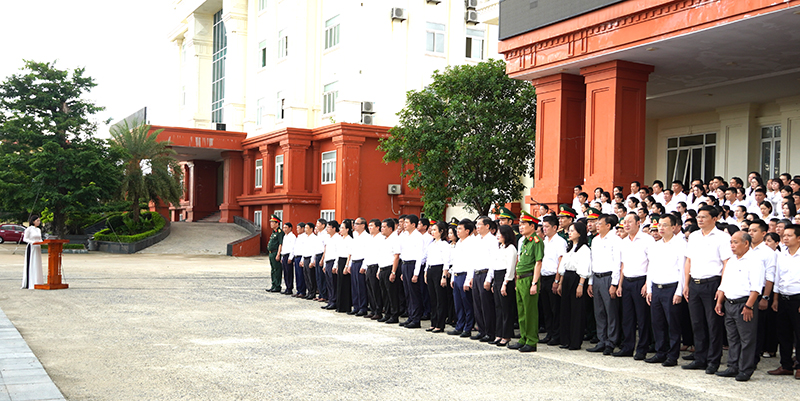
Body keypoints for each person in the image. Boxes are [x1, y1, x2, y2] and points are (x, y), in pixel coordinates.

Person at [683, 206, 732, 374]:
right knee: (697, 323)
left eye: (704, 217)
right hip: (695, 283)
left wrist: (722, 287)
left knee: (713, 324)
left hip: (713, 283)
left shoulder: (723, 237)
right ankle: (700, 358)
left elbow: (727, 263)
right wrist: (686, 284)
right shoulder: (694, 236)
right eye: (699, 217)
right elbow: (688, 260)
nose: (700, 219)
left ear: (714, 218)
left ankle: (713, 360)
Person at [714, 232, 764, 381]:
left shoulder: (755, 261)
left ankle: (745, 369)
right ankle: (733, 366)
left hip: (744, 304)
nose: (732, 246)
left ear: (746, 243)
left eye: (735, 242)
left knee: (747, 339)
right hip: (729, 302)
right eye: (731, 242)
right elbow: (725, 283)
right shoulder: (732, 261)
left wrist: (749, 306)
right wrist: (719, 301)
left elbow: (756, 288)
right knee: (733, 338)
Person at [645, 214, 685, 366]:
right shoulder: (656, 245)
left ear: (674, 227)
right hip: (657, 287)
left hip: (672, 287)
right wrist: (649, 289)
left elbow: (682, 269)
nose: (660, 228)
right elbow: (651, 268)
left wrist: (679, 291)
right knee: (657, 322)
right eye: (659, 225)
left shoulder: (680, 244)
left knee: (672, 324)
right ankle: (660, 352)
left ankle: (672, 356)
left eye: (664, 225)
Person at [616, 212, 654, 359]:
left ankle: (642, 349)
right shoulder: (624, 241)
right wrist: (620, 284)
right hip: (627, 281)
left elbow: (652, 263)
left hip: (641, 280)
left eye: (629, 222)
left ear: (638, 223)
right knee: (627, 317)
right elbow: (623, 265)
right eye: (624, 222)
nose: (626, 224)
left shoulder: (647, 240)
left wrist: (647, 283)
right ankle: (627, 346)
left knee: (642, 318)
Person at [507, 211, 543, 353]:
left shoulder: (536, 241)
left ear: (532, 226)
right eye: (520, 224)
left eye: (524, 224)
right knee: (521, 311)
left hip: (529, 279)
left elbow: (538, 263)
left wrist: (534, 283)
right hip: (521, 279)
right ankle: (523, 338)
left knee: (530, 312)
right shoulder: (523, 242)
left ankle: (532, 341)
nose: (520, 227)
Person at [767, 224, 800, 379]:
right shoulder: (781, 254)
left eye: (789, 235)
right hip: (783, 297)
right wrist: (775, 298)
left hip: (797, 298)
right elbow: (777, 277)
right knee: (783, 333)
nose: (785, 238)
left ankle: (799, 365)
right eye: (784, 235)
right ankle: (786, 365)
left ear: (798, 238)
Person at [586, 214, 622, 355]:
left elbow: (617, 262)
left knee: (610, 311)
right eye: (597, 223)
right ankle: (602, 340)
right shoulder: (595, 240)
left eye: (600, 223)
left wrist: (614, 283)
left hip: (609, 277)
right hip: (597, 277)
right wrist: (590, 281)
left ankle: (611, 342)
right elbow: (592, 261)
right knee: (599, 311)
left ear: (608, 225)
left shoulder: (615, 239)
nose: (597, 225)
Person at [746, 220, 777, 367]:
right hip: (744, 292)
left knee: (757, 329)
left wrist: (765, 298)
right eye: (749, 230)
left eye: (754, 231)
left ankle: (753, 360)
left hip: (760, 293)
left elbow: (770, 277)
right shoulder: (745, 249)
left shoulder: (768, 252)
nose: (750, 233)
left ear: (764, 234)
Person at [558, 222, 592, 350]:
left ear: (580, 233)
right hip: (566, 277)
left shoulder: (584, 249)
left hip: (577, 279)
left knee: (577, 311)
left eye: (572, 230)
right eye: (569, 230)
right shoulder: (570, 247)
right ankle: (566, 339)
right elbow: (563, 266)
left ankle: (575, 341)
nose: (569, 233)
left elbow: (584, 267)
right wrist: (560, 282)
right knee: (566, 310)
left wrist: (580, 285)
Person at [541, 215, 567, 346]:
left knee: (555, 308)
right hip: (543, 277)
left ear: (555, 227)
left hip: (553, 277)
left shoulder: (560, 241)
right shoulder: (544, 241)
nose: (544, 229)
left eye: (546, 226)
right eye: (543, 226)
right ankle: (549, 333)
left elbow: (561, 262)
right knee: (546, 308)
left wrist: (557, 280)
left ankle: (557, 335)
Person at [491, 224, 518, 347]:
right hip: (497, 277)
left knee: (506, 308)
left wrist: (505, 283)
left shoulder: (511, 248)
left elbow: (511, 267)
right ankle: (499, 333)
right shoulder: (499, 247)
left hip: (505, 278)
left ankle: (506, 335)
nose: (497, 236)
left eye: (500, 233)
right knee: (498, 308)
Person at [449, 219, 476, 338]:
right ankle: (459, 326)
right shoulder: (459, 243)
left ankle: (468, 327)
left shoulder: (471, 243)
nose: (457, 231)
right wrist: (452, 278)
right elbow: (455, 262)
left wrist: (468, 279)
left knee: (467, 303)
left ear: (467, 230)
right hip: (457, 275)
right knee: (458, 303)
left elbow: (471, 262)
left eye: (460, 229)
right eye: (457, 229)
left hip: (465, 274)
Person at [473, 216, 498, 341]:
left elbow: (493, 261)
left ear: (487, 226)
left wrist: (489, 279)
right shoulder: (477, 240)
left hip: (486, 273)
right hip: (476, 273)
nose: (477, 227)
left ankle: (490, 332)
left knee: (486, 305)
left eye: (479, 224)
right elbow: (473, 259)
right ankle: (481, 330)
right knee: (477, 304)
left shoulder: (492, 240)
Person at [399, 214, 424, 329]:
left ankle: (416, 319)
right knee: (407, 293)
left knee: (414, 293)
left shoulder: (418, 237)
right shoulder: (405, 236)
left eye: (407, 223)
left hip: (413, 265)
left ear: (413, 224)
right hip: (405, 264)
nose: (404, 225)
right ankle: (410, 316)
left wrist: (416, 273)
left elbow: (419, 256)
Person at [425, 221, 451, 333]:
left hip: (439, 270)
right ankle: (433, 322)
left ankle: (440, 324)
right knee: (433, 298)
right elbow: (428, 259)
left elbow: (446, 261)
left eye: (435, 230)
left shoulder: (445, 245)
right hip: (430, 269)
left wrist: (444, 276)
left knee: (440, 298)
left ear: (441, 231)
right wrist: (426, 272)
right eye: (432, 230)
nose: (432, 232)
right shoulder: (431, 244)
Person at [377, 219, 402, 324]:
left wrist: (393, 272)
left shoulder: (395, 239)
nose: (381, 229)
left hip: (390, 268)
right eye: (381, 227)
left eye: (384, 227)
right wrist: (379, 270)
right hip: (382, 268)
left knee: (392, 294)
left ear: (390, 228)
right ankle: (387, 314)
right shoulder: (384, 239)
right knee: (385, 294)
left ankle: (394, 315)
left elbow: (396, 256)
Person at [364, 219, 384, 320]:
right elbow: (367, 254)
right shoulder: (370, 238)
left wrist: (379, 269)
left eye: (372, 226)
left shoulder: (381, 238)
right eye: (369, 225)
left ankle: (378, 311)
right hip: (369, 265)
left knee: (376, 290)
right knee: (370, 289)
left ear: (377, 227)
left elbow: (381, 255)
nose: (370, 227)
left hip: (376, 265)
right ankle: (372, 309)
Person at [349, 217, 369, 316]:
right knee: (354, 286)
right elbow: (352, 251)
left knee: (361, 286)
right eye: (354, 223)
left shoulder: (367, 237)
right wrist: (349, 265)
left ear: (363, 225)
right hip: (354, 261)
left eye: (357, 223)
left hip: (361, 262)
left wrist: (364, 265)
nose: (355, 225)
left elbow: (367, 253)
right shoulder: (355, 235)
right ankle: (356, 306)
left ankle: (363, 307)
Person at [321, 220, 341, 310]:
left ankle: (334, 301)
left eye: (329, 227)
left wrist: (335, 265)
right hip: (328, 261)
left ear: (334, 228)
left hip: (333, 261)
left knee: (333, 283)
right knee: (328, 282)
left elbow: (338, 252)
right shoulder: (328, 238)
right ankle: (330, 300)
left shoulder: (338, 238)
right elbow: (326, 252)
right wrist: (324, 264)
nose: (327, 229)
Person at [335, 219, 354, 314]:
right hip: (340, 261)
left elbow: (350, 254)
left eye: (342, 228)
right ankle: (339, 305)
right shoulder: (341, 239)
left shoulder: (350, 239)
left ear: (347, 229)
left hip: (346, 261)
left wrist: (347, 266)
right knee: (339, 284)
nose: (340, 229)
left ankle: (346, 306)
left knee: (345, 284)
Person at [21, 215, 43, 289]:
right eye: (37, 221)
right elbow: (25, 239)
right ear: (33, 221)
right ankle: (30, 282)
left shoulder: (38, 230)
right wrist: (32, 242)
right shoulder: (29, 229)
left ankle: (38, 281)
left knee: (37, 263)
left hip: (37, 248)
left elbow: (40, 239)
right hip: (32, 247)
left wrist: (42, 242)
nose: (39, 222)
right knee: (31, 263)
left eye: (39, 221)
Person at [265, 215, 285, 293]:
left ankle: (277, 286)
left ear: (277, 223)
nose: (271, 224)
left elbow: (280, 244)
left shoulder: (280, 232)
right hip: (271, 253)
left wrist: (278, 254)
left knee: (277, 270)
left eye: (273, 222)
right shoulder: (274, 232)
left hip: (275, 252)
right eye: (271, 222)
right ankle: (273, 285)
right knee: (273, 270)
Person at [300, 222, 319, 300]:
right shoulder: (305, 238)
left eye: (307, 228)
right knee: (306, 276)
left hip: (310, 258)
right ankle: (309, 291)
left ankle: (312, 292)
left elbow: (314, 250)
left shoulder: (314, 238)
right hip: (305, 257)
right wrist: (302, 259)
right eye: (305, 228)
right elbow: (304, 250)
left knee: (311, 276)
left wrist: (312, 261)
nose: (305, 229)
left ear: (311, 229)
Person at [280, 222, 297, 295]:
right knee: (285, 273)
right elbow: (283, 247)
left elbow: (293, 248)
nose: (284, 229)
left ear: (290, 228)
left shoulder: (292, 236)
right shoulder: (285, 236)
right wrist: (281, 256)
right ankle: (287, 287)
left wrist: (290, 257)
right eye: (284, 227)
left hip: (289, 255)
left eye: (286, 227)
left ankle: (290, 288)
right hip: (284, 255)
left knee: (289, 272)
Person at [292, 223, 308, 298]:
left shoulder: (305, 237)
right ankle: (298, 290)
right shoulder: (298, 237)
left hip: (301, 257)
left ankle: (302, 291)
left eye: (298, 228)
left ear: (302, 229)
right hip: (296, 257)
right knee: (297, 275)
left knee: (301, 275)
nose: (297, 229)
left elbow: (304, 249)